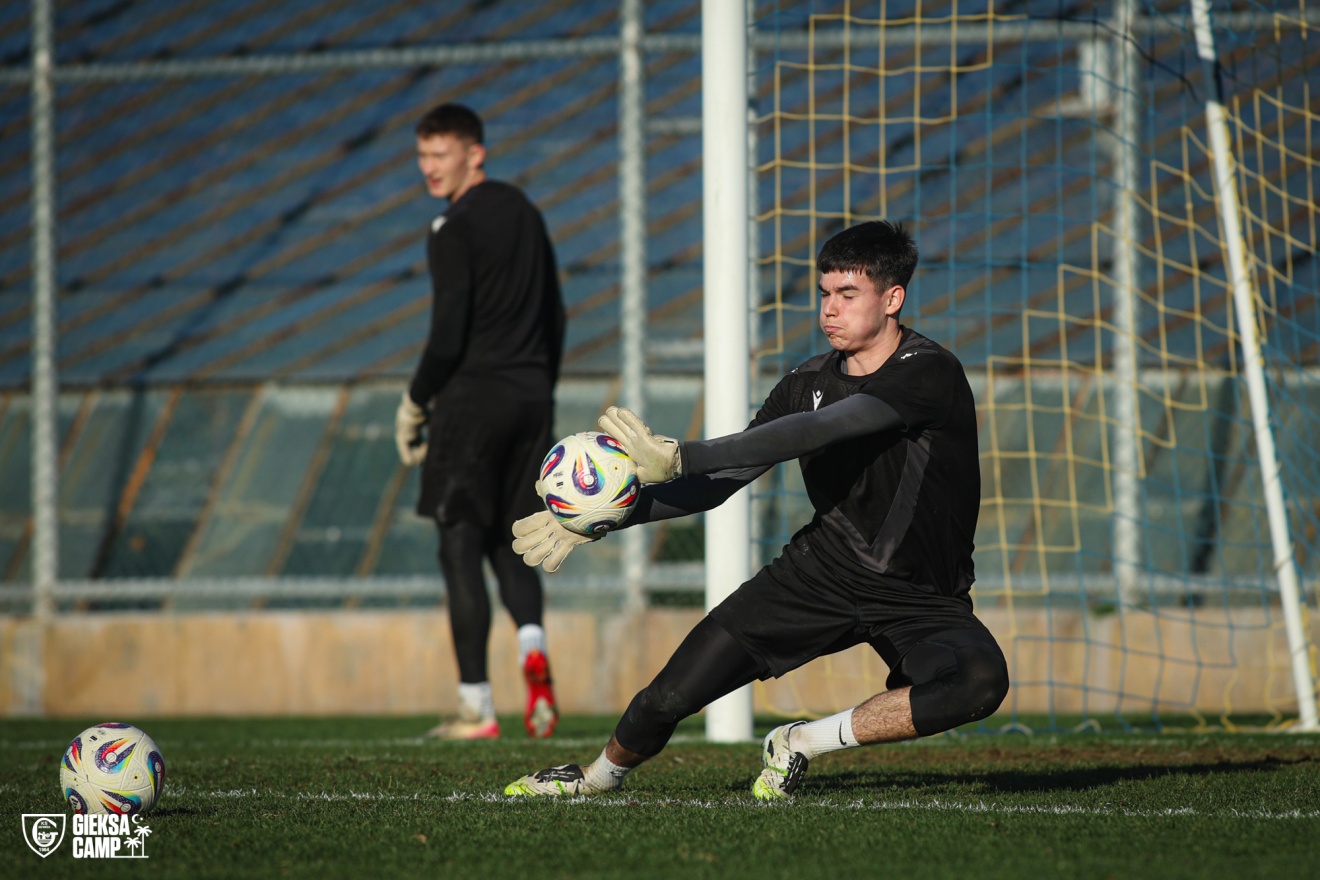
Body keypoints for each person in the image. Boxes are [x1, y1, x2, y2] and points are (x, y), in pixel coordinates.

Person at [502, 220, 1008, 797]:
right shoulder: (802, 382)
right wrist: (615, 513)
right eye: (824, 293)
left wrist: (683, 455)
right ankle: (595, 778)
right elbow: (722, 482)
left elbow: (830, 425)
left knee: (977, 681)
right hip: (820, 575)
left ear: (892, 299)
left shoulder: (929, 370)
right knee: (667, 697)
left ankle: (802, 741)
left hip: (919, 596)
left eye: (848, 294)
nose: (829, 309)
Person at [395, 102, 566, 740]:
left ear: (476, 153)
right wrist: (539, 388)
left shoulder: (451, 226)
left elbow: (447, 336)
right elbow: (556, 313)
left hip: (471, 401)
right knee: (514, 536)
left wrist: (416, 401)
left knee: (459, 543)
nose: (429, 168)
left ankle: (476, 706)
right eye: (422, 156)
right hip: (530, 397)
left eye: (440, 154)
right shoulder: (525, 211)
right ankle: (532, 644)